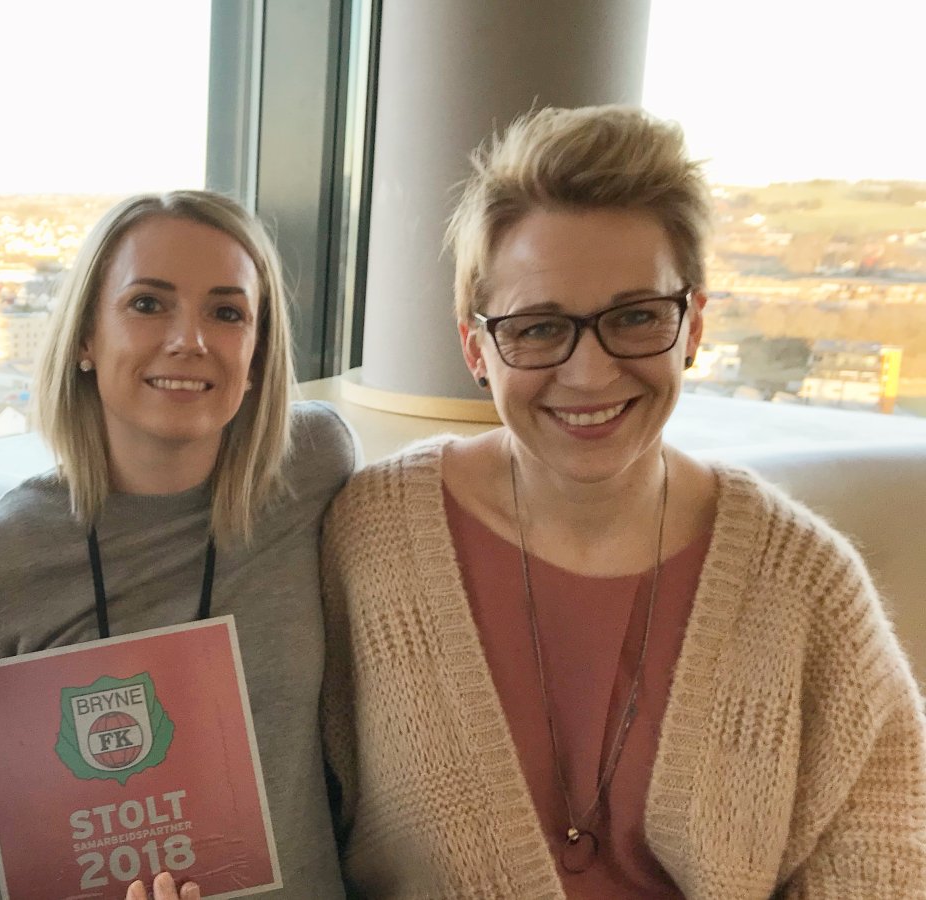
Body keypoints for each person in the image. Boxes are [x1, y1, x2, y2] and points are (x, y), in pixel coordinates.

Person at [321, 104, 926, 898]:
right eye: (539, 328)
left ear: (694, 326)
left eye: (636, 317)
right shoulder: (371, 541)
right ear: (476, 347)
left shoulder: (805, 583)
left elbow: (885, 860)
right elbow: (285, 810)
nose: (591, 374)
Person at [0, 190, 356, 900]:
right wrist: (91, 851)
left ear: (257, 353)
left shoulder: (310, 467)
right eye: (148, 304)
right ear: (86, 338)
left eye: (227, 313)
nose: (189, 340)